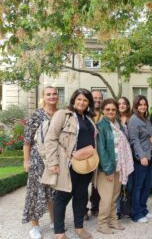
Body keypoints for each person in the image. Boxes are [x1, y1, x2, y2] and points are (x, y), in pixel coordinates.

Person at [43, 88, 97, 239]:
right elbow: (50, 138)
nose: (82, 102)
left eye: (85, 100)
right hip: (68, 164)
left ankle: (79, 228)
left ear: (88, 103)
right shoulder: (63, 114)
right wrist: (53, 162)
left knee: (81, 196)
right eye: (79, 99)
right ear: (73, 101)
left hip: (86, 164)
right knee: (62, 196)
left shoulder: (88, 119)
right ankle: (59, 232)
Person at [22, 86, 58, 239]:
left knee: (53, 192)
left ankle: (54, 221)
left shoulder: (60, 114)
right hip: (38, 159)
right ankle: (35, 226)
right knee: (35, 192)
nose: (52, 96)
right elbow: (28, 139)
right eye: (48, 94)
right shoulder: (37, 115)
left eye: (54, 94)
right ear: (43, 96)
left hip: (55, 159)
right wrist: (26, 160)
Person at [96, 98, 133, 234]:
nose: (111, 111)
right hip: (107, 169)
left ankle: (112, 220)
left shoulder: (117, 124)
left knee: (113, 196)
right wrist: (108, 169)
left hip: (119, 166)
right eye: (108, 109)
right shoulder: (101, 126)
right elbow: (101, 149)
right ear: (103, 111)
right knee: (106, 198)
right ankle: (102, 223)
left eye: (113, 109)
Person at [128, 95, 152, 223]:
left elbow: (148, 136)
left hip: (151, 156)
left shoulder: (146, 118)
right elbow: (134, 140)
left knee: (148, 185)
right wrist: (142, 156)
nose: (143, 106)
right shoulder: (134, 119)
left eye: (145, 104)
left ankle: (143, 208)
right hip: (141, 158)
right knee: (138, 186)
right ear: (135, 105)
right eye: (140, 104)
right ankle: (136, 213)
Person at [84, 90, 103, 219]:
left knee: (97, 183)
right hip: (86, 152)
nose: (97, 100)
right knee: (84, 183)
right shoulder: (85, 113)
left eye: (100, 98)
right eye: (95, 97)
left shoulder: (104, 114)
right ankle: (83, 210)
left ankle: (95, 207)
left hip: (100, 152)